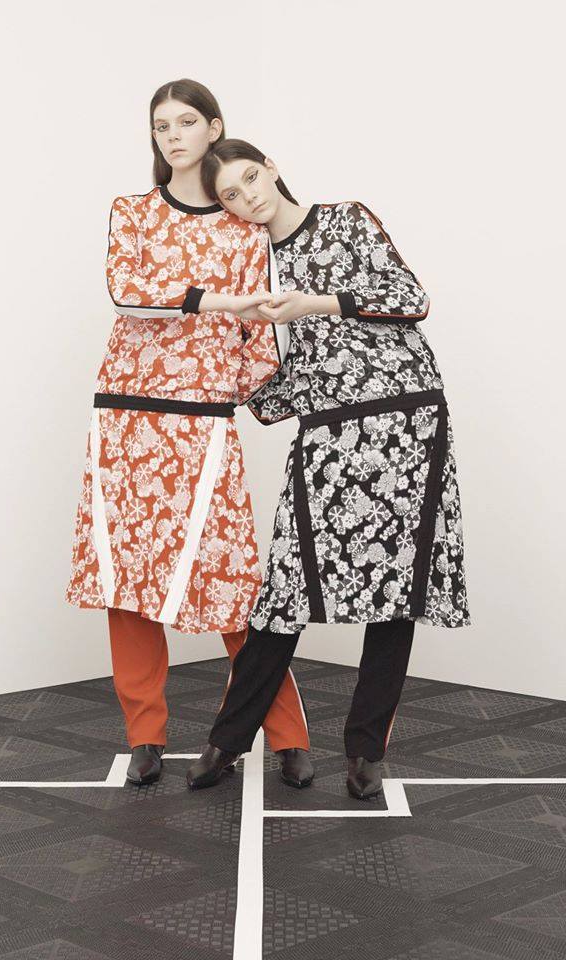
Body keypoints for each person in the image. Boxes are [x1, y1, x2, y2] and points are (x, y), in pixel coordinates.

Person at [186, 139, 470, 798]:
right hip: (328, 429)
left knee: (397, 588)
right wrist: (223, 375)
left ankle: (366, 751)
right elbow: (279, 390)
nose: (248, 196)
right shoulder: (252, 265)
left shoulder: (346, 218)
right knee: (286, 584)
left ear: (272, 168)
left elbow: (410, 297)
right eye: (231, 194)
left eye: (250, 177)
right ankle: (228, 740)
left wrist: (314, 304)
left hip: (406, 420)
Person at [66, 86, 313, 789]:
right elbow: (127, 293)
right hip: (126, 416)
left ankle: (287, 735)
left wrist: (220, 386)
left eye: (186, 122)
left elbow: (260, 342)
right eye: (160, 126)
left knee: (232, 582)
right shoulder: (132, 212)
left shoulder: (243, 230)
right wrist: (220, 304)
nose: (173, 136)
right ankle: (144, 735)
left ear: (214, 128)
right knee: (128, 580)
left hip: (203, 421)